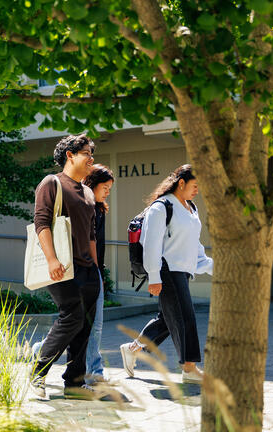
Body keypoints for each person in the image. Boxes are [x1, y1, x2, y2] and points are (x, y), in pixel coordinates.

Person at [119, 164, 213, 383]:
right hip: (166, 270)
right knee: (184, 317)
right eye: (195, 185)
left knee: (168, 319)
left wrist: (209, 265)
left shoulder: (191, 208)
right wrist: (154, 276)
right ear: (181, 183)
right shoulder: (161, 207)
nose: (198, 190)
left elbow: (193, 244)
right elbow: (150, 243)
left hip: (182, 272)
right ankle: (189, 369)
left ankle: (133, 349)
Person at [29, 134, 102, 400]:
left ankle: (74, 382)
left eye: (92, 154)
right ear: (70, 155)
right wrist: (51, 259)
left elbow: (91, 233)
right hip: (61, 267)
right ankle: (37, 372)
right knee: (72, 317)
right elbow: (41, 223)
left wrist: (96, 267)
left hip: (87, 269)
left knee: (85, 324)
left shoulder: (88, 192)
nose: (91, 159)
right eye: (86, 153)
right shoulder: (52, 183)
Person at [82, 164, 115, 383]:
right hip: (85, 272)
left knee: (92, 324)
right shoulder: (85, 208)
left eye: (110, 189)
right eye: (105, 187)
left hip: (95, 272)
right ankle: (95, 371)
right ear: (92, 184)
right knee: (83, 323)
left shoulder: (99, 208)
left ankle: (95, 370)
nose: (107, 192)